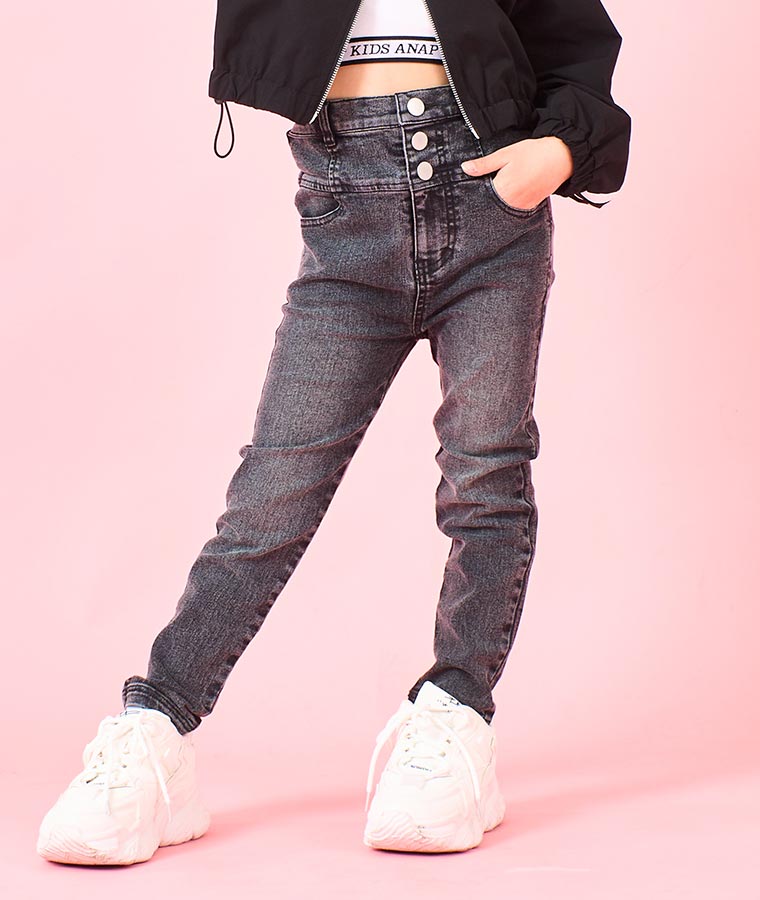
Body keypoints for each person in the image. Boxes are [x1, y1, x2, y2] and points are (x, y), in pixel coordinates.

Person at [37, 0, 631, 864]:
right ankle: (155, 727)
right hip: (347, 213)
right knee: (271, 492)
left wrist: (561, 149)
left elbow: (574, 36)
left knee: (486, 473)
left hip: (490, 205)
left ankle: (455, 716)